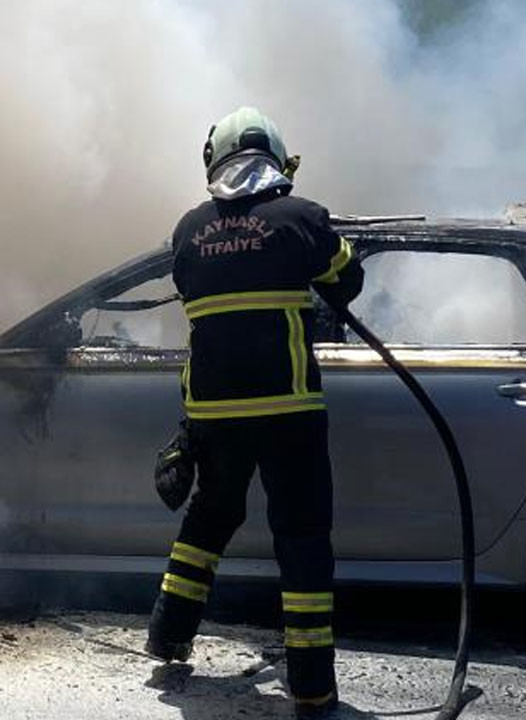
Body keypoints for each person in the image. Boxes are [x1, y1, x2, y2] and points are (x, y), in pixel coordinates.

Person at [146, 107, 364, 718]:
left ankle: (168, 635)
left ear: (212, 160)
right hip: (289, 410)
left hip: (214, 415)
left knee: (209, 520)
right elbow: (348, 280)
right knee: (302, 538)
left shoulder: (188, 230)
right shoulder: (303, 217)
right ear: (277, 156)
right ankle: (312, 689)